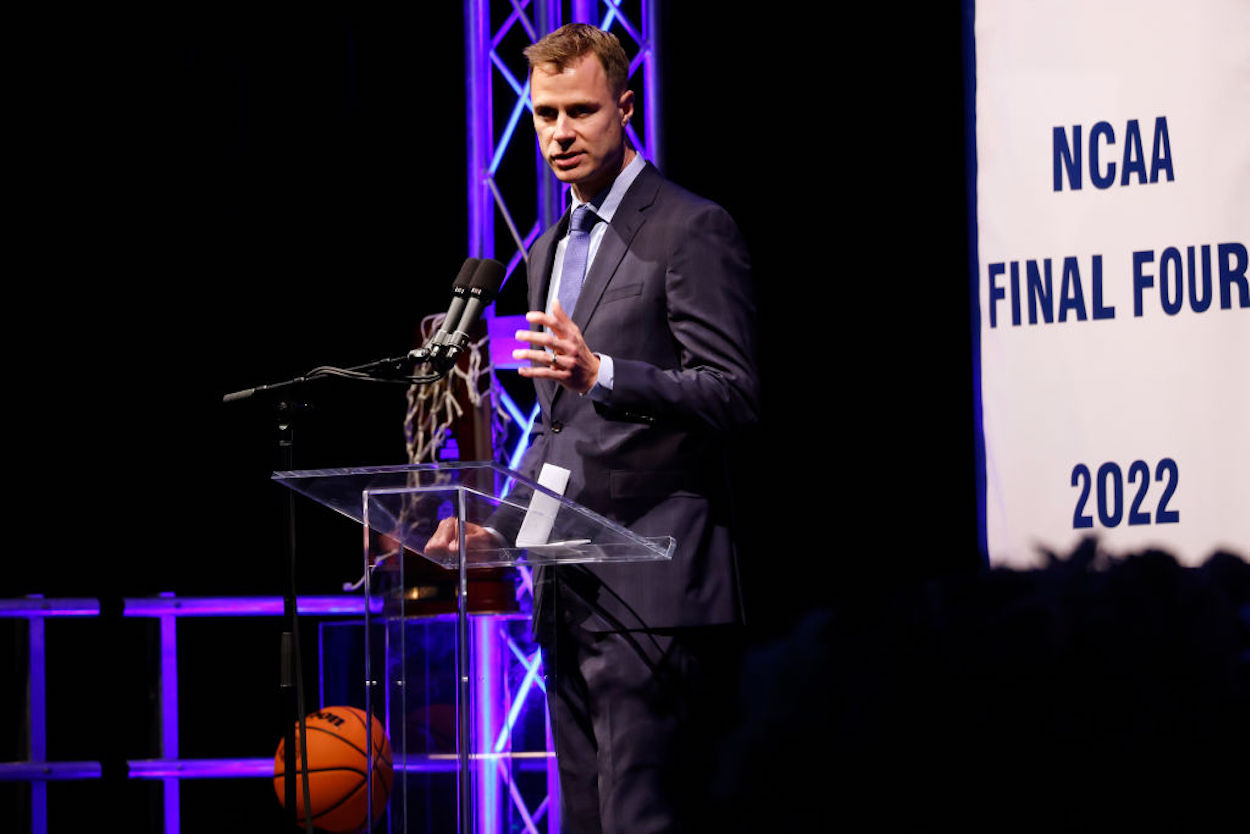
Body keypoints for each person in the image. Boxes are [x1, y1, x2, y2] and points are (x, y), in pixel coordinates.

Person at [427, 23, 758, 833]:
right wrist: (496, 533)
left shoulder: (689, 227)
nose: (559, 134)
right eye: (544, 115)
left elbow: (733, 395)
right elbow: (556, 433)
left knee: (642, 820)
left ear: (627, 106)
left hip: (656, 594)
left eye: (580, 110)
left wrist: (602, 371)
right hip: (569, 594)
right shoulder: (546, 250)